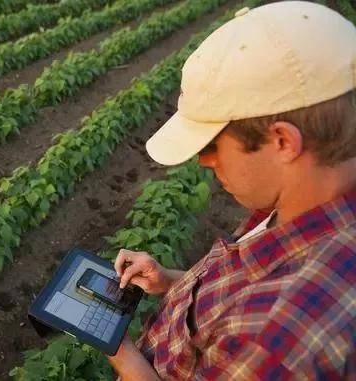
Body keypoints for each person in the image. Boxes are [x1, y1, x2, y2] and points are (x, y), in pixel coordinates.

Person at [107, 1, 356, 380]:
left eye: (211, 146)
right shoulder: (304, 199)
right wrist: (172, 281)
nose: (204, 162)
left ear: (283, 142)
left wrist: (119, 351)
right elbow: (240, 290)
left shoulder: (276, 340)